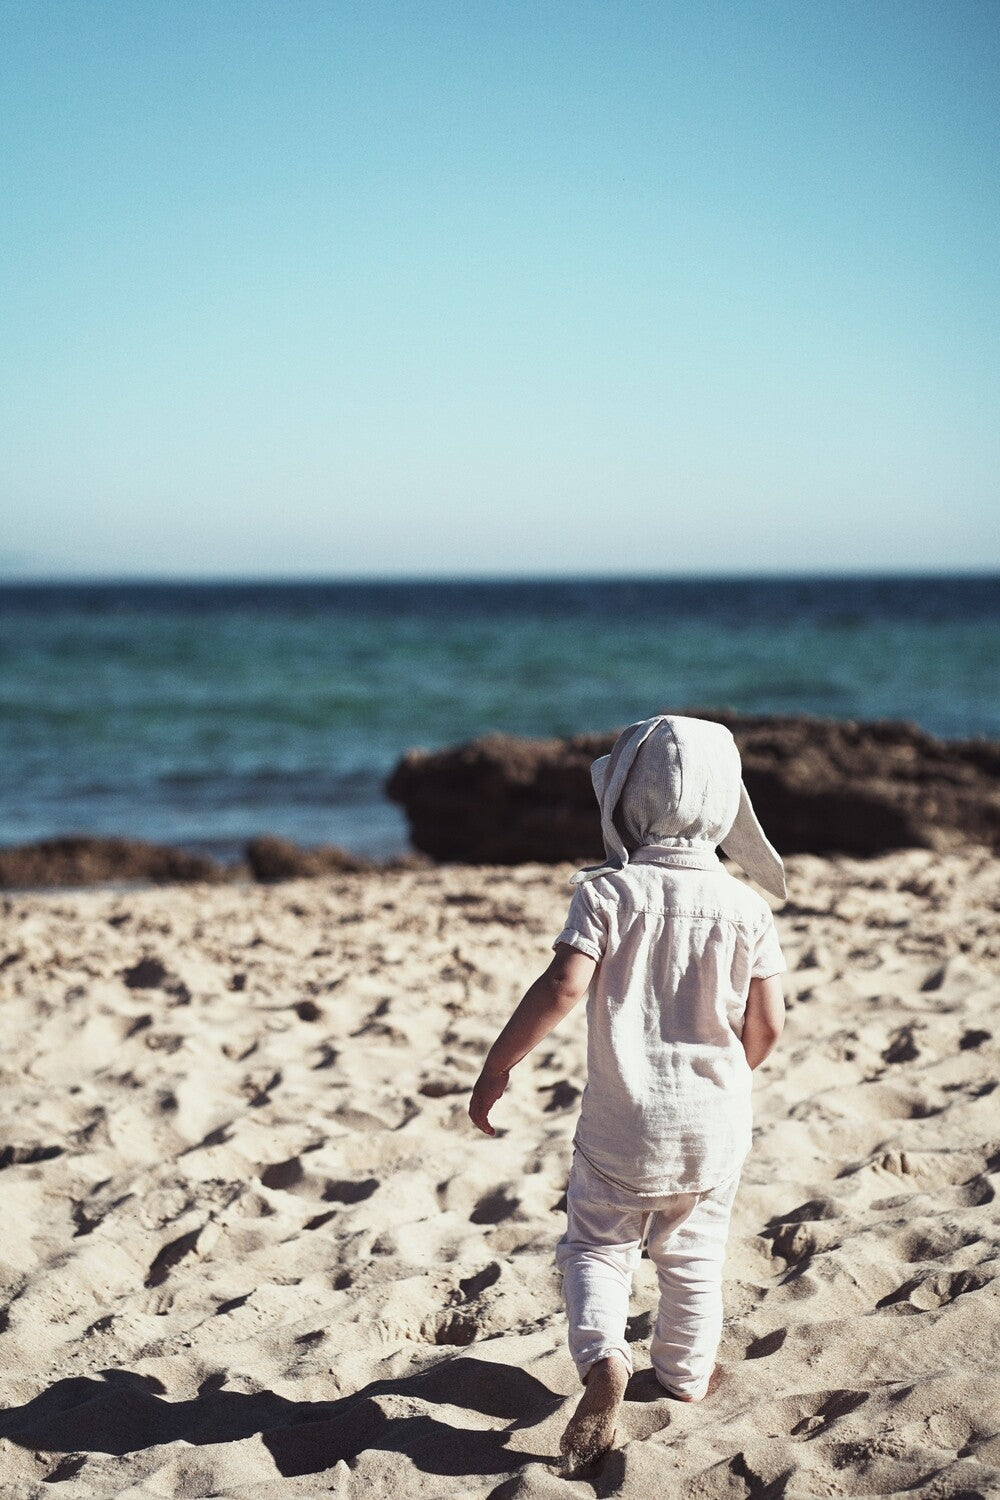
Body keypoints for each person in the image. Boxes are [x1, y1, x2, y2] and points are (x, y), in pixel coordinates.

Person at [469, 714, 787, 1469]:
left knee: (597, 1247)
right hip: (712, 1123)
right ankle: (680, 1377)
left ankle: (604, 1358)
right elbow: (768, 1025)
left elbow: (561, 986)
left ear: (626, 801)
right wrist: (727, 1076)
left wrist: (498, 1066)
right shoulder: (749, 908)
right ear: (726, 806)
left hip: (621, 1123)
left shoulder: (608, 893)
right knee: (695, 1257)